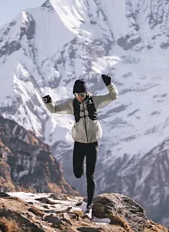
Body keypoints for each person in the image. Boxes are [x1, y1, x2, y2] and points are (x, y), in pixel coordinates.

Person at [42, 74, 118, 218]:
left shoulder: (94, 101)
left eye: (82, 94)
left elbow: (113, 96)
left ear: (86, 93)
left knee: (90, 175)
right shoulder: (72, 104)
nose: (80, 97)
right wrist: (48, 102)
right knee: (77, 173)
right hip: (79, 143)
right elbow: (54, 110)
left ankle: (89, 205)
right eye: (77, 94)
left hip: (92, 144)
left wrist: (109, 84)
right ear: (74, 94)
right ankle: (81, 170)